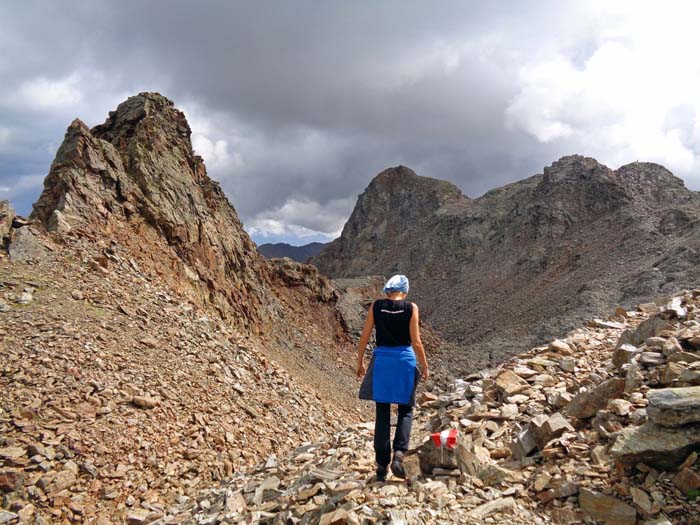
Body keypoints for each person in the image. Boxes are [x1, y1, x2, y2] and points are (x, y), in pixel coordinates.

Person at [357, 274, 429, 481]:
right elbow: (416, 341)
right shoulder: (411, 308)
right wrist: (424, 365)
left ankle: (381, 467)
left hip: (382, 362)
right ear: (404, 291)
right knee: (406, 409)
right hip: (404, 361)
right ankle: (399, 453)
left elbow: (365, 335)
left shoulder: (376, 306)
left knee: (383, 411)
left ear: (388, 290)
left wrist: (360, 360)